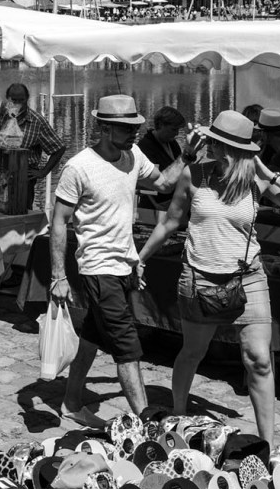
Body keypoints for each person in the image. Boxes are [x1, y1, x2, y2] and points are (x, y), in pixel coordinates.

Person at [137, 110, 280, 443]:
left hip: (247, 277)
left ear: (240, 150)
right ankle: (178, 416)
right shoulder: (194, 175)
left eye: (221, 144)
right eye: (213, 141)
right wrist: (139, 259)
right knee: (193, 352)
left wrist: (270, 173)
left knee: (259, 359)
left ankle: (267, 442)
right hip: (199, 278)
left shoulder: (256, 179)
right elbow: (169, 223)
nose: (213, 148)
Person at [49, 94, 189, 429]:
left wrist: (188, 155)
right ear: (103, 127)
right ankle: (148, 424)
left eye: (136, 126)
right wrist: (58, 275)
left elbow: (163, 182)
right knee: (128, 348)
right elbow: (58, 221)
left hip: (124, 266)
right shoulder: (78, 167)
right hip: (98, 269)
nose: (135, 133)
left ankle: (70, 402)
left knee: (92, 336)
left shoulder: (133, 155)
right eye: (126, 128)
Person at [0, 82, 67, 196]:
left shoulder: (37, 121)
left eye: (21, 100)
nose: (17, 104)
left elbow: (59, 148)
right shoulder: (0, 115)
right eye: (14, 100)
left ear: (27, 99)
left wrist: (43, 172)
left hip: (23, 180)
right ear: (7, 99)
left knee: (20, 210)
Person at [137, 106, 186, 206]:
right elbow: (147, 184)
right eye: (173, 129)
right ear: (160, 125)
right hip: (155, 206)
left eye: (178, 130)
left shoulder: (172, 143)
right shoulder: (145, 146)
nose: (176, 133)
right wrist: (157, 205)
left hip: (173, 200)